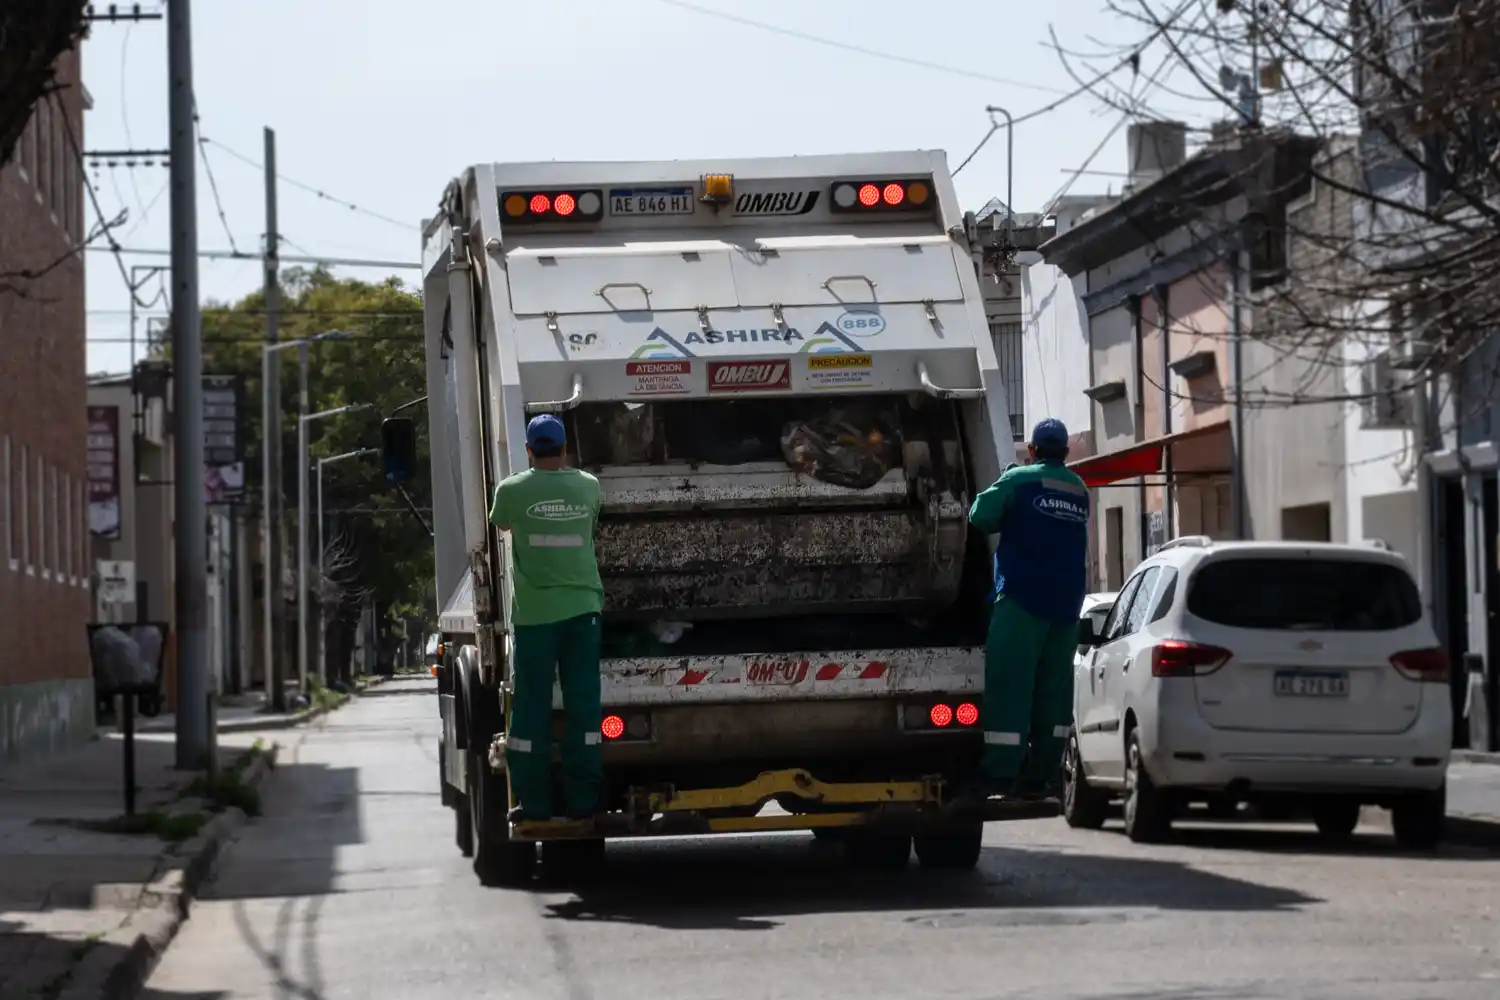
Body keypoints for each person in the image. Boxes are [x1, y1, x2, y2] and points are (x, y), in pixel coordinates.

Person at [487, 413, 606, 822]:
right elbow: (592, 522)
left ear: (528, 451)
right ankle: (584, 802)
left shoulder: (512, 491)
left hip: (536, 617)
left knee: (531, 710)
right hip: (583, 613)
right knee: (585, 709)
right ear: (565, 448)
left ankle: (534, 803)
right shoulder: (588, 486)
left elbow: (500, 522)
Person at [965, 418, 1090, 800]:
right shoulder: (1079, 488)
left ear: (1033, 449)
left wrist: (1007, 478)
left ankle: (1001, 773)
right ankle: (1045, 774)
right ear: (1066, 453)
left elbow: (978, 516)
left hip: (1022, 601)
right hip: (1066, 606)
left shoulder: (1019, 480)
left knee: (1011, 687)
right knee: (1054, 692)